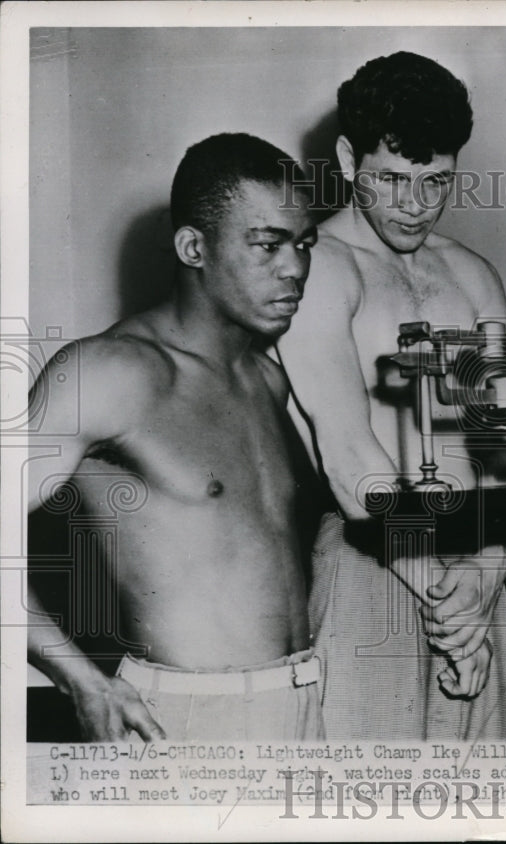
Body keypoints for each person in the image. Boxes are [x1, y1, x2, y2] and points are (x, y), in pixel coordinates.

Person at [26, 133, 324, 741]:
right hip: (183, 719)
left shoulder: (268, 377)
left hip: (303, 702)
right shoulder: (111, 371)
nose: (294, 267)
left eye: (302, 243)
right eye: (267, 244)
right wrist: (78, 678)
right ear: (194, 246)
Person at [277, 51, 506, 739]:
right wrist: (452, 607)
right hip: (374, 567)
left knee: (489, 808)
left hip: (478, 575)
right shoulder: (318, 269)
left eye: (436, 181)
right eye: (392, 180)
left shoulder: (474, 277)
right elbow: (351, 458)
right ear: (350, 159)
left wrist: (485, 578)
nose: (415, 205)